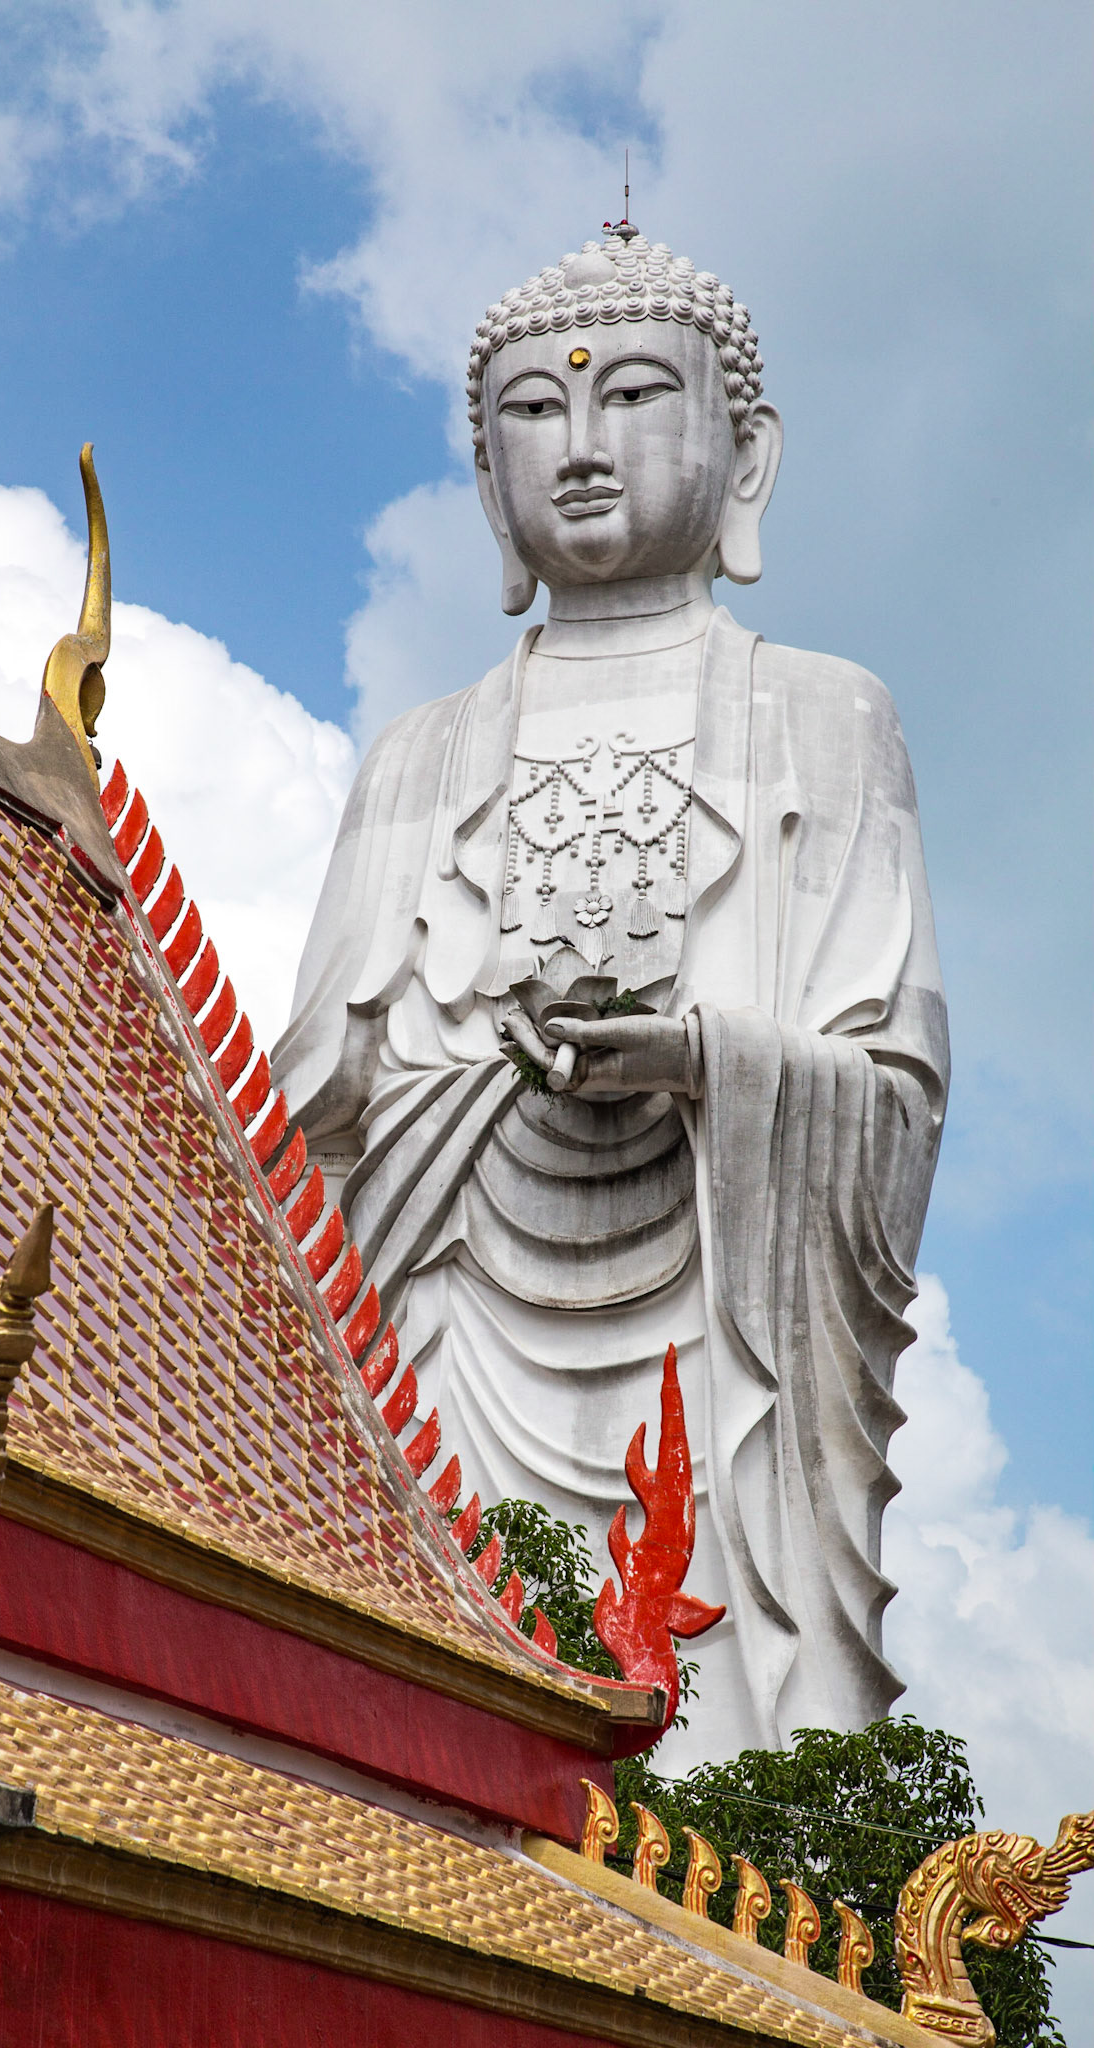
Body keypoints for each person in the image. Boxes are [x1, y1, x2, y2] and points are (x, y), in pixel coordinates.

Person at [272, 229, 948, 1764]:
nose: (579, 447)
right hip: (441, 1308)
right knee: (419, 1726)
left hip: (723, 1326)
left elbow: (891, 1090)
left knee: (722, 1782)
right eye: (528, 413)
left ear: (744, 448)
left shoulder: (824, 716)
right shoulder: (416, 757)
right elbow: (309, 1120)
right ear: (482, 476)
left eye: (634, 395)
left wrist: (702, 1059)